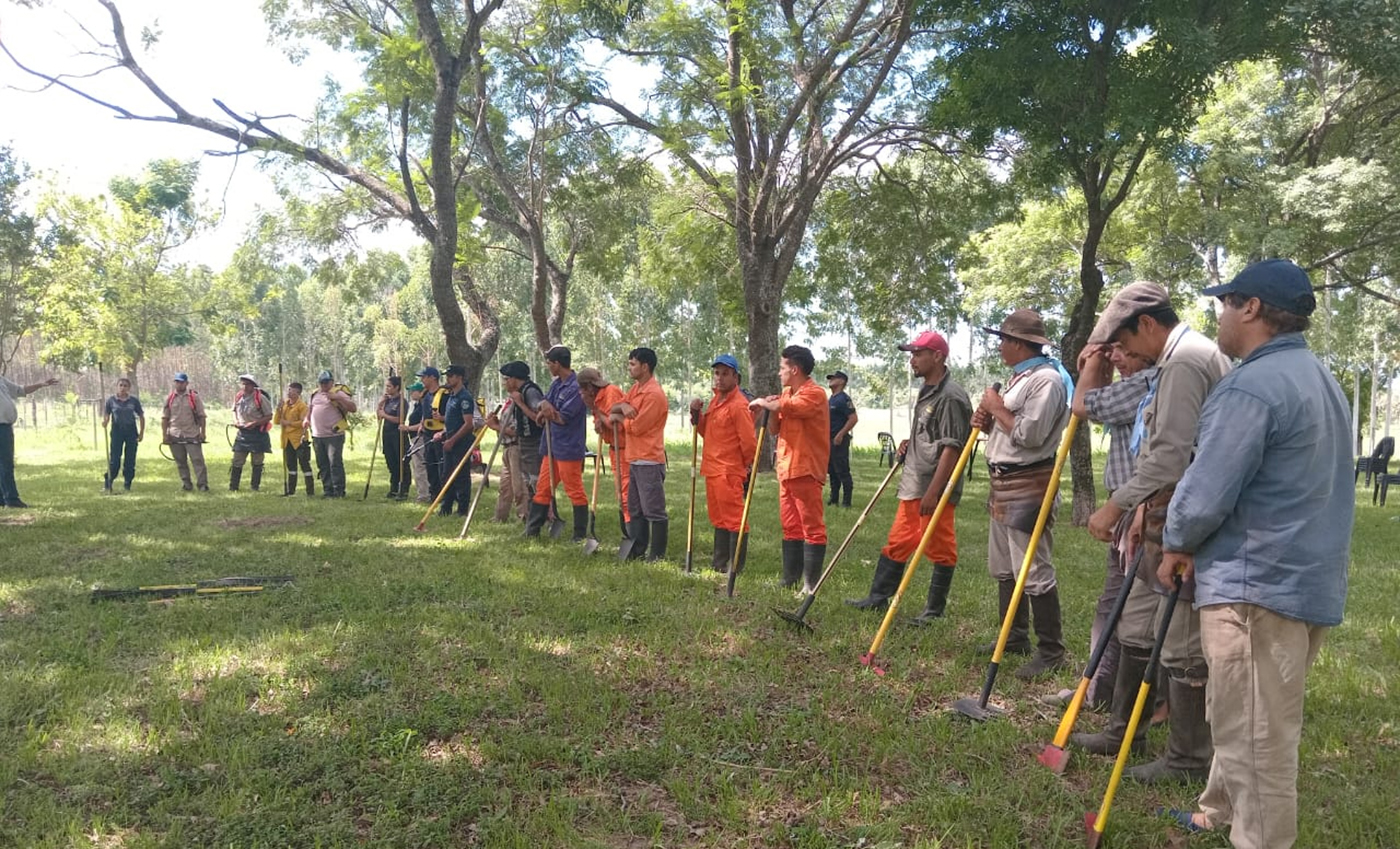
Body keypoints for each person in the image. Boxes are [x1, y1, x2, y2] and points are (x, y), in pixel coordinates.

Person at [1156, 260, 1352, 848]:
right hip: (1300, 581)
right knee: (1243, 709)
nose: (1217, 314)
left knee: (1257, 737)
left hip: (1255, 588)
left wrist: (1176, 542)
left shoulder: (1250, 387)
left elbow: (1204, 491)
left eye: (1225, 302)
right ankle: (1217, 810)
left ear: (1252, 309)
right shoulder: (1319, 378)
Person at [1075, 282, 1231, 784]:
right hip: (1159, 511)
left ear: (1147, 323)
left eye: (1124, 341)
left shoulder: (1185, 361)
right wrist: (1143, 505)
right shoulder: (1173, 362)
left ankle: (1187, 760)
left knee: (1181, 643)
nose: (1123, 354)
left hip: (1184, 519)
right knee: (1138, 626)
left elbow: (1171, 454)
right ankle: (1124, 732)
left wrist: (1116, 505)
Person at [1042, 342, 1156, 709]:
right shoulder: (1143, 382)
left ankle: (1113, 694)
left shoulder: (1145, 384)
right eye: (1111, 350)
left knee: (1125, 608)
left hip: (1141, 510)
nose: (1115, 357)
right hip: (1131, 508)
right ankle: (1103, 690)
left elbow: (1084, 404)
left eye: (1124, 348)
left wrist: (1091, 361)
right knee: (1116, 605)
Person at [971, 309, 1072, 679]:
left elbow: (1030, 436)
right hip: (1003, 481)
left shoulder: (1046, 382)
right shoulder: (1020, 379)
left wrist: (997, 408)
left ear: (1018, 343)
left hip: (1029, 484)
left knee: (1033, 568)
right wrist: (986, 421)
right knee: (1005, 567)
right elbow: (1008, 429)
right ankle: (1013, 637)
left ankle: (1052, 650)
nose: (999, 347)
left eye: (1003, 340)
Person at [845, 332, 971, 622]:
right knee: (899, 541)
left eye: (918, 354)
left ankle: (933, 612)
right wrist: (910, 442)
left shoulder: (951, 396)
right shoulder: (928, 389)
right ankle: (878, 598)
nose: (912, 360)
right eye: (911, 354)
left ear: (937, 356)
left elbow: (953, 449)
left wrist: (934, 492)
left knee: (940, 547)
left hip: (933, 487)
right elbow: (933, 436)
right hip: (914, 482)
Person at [750, 344, 830, 592]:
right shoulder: (787, 393)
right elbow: (775, 428)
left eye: (782, 368)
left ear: (794, 369)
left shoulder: (814, 393)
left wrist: (768, 402)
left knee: (812, 527)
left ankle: (810, 583)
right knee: (790, 525)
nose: (779, 373)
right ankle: (790, 578)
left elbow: (795, 408)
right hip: (786, 469)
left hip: (805, 469)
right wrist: (770, 409)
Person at [690, 354, 757, 573]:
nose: (719, 378)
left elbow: (749, 442)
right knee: (718, 518)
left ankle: (735, 566)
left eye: (725, 374)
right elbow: (706, 432)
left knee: (735, 519)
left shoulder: (738, 405)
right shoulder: (715, 401)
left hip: (728, 471)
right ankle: (719, 563)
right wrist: (696, 415)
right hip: (712, 469)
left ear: (736, 377)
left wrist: (744, 467)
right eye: (717, 373)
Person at [609, 347, 669, 561]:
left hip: (649, 459)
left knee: (653, 509)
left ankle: (657, 554)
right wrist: (623, 406)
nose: (629, 367)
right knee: (635, 507)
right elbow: (614, 407)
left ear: (645, 366)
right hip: (634, 458)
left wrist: (620, 418)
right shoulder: (636, 389)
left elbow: (637, 426)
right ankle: (638, 548)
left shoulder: (654, 395)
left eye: (633, 364)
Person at [529, 346, 590, 541]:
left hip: (568, 448)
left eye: (549, 363)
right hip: (550, 446)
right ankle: (533, 529)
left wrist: (549, 412)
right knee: (543, 487)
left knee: (574, 489)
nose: (547, 366)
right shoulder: (556, 384)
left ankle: (579, 534)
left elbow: (563, 417)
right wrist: (543, 409)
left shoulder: (576, 387)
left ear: (557, 363)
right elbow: (546, 403)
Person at [0, 372, 60, 507]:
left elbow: (20, 390)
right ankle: (11, 499)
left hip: (5, 427)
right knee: (5, 464)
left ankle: (3, 498)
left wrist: (40, 385)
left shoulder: (2, 380)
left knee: (5, 463)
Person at [580, 366, 627, 532]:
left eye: (582, 390)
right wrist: (598, 420)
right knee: (621, 493)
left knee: (626, 494)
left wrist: (598, 414)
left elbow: (616, 425)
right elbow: (602, 426)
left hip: (625, 449)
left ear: (590, 388)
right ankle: (628, 530)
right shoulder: (596, 401)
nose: (581, 395)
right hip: (614, 449)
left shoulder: (610, 393)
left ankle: (631, 532)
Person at [304, 370, 356, 498]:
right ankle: (328, 490)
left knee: (335, 463)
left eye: (326, 382)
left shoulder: (338, 393)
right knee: (322, 464)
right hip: (317, 435)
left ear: (332, 382)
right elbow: (310, 410)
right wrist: (306, 419)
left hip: (334, 435)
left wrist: (338, 398)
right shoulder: (314, 394)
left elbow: (353, 408)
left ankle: (338, 490)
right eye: (322, 383)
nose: (324, 385)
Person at [432, 365, 476, 516]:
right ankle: (446, 507)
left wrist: (453, 440)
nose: (448, 379)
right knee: (447, 474)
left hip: (461, 443)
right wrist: (443, 433)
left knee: (461, 476)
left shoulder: (465, 398)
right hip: (449, 440)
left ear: (459, 378)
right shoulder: (451, 396)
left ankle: (462, 510)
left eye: (451, 376)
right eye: (447, 376)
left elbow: (468, 424)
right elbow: (453, 421)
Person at [161, 372, 209, 493]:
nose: (179, 384)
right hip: (175, 434)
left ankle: (202, 485)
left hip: (191, 433)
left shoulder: (194, 397)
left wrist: (202, 432)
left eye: (181, 382)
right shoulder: (170, 398)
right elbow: (165, 418)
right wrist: (164, 435)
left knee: (197, 461)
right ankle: (186, 484)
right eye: (177, 382)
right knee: (180, 462)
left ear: (186, 383)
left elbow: (202, 416)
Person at [229, 374, 273, 492]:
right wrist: (236, 421)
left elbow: (269, 416)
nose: (244, 386)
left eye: (247, 384)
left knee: (257, 461)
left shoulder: (260, 398)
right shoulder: (238, 396)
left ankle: (255, 486)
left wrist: (254, 423)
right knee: (237, 460)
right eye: (243, 383)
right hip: (242, 433)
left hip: (257, 433)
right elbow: (234, 410)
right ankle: (233, 487)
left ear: (253, 385)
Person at [102, 377, 145, 493]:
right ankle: (108, 482)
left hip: (131, 431)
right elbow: (107, 414)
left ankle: (127, 483)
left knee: (130, 459)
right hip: (117, 431)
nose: (123, 388)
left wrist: (141, 433)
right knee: (115, 459)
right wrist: (105, 421)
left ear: (129, 388)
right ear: (117, 386)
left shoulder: (133, 401)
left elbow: (141, 416)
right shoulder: (111, 401)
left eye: (125, 386)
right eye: (120, 385)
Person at [274, 381, 313, 496]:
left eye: (291, 390)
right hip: (287, 440)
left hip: (299, 440)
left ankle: (310, 491)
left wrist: (289, 423)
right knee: (291, 466)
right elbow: (276, 421)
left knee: (304, 465)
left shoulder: (302, 406)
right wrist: (278, 409)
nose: (288, 392)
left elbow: (303, 422)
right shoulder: (285, 405)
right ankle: (290, 491)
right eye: (288, 390)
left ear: (298, 393)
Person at [415, 366, 448, 500]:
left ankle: (444, 495)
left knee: (441, 466)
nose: (422, 380)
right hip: (428, 434)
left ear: (433, 377)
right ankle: (433, 494)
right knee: (429, 466)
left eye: (424, 377)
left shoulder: (445, 395)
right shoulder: (425, 395)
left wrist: (442, 419)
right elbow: (425, 413)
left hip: (441, 435)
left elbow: (453, 416)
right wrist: (422, 424)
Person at [826, 369, 858, 507]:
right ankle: (834, 498)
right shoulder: (831, 398)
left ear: (842, 381)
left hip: (839, 440)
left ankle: (847, 501)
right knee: (832, 470)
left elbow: (853, 418)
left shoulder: (844, 399)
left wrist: (841, 434)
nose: (830, 380)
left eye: (834, 378)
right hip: (829, 440)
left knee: (842, 470)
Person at [376, 376, 410, 499]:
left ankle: (404, 489)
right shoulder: (387, 401)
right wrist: (380, 404)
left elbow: (399, 419)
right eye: (386, 386)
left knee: (401, 462)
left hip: (398, 435)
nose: (387, 388)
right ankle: (393, 488)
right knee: (391, 462)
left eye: (389, 386)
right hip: (387, 434)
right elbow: (379, 417)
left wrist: (385, 415)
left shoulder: (402, 402)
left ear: (396, 387)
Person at [400, 381, 432, 503]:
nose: (411, 393)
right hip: (413, 438)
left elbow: (423, 424)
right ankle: (422, 492)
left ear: (420, 392)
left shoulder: (424, 405)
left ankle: (424, 494)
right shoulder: (417, 405)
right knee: (416, 466)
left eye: (413, 391)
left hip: (420, 438)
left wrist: (407, 428)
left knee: (420, 467)